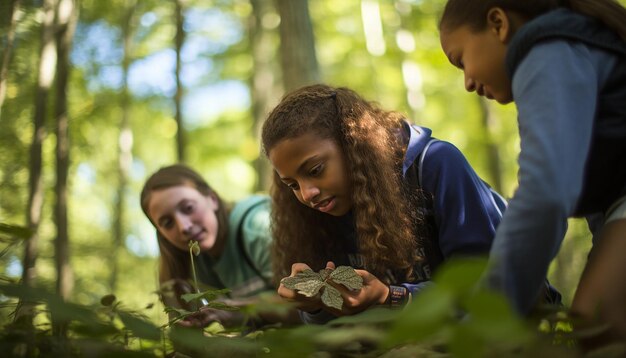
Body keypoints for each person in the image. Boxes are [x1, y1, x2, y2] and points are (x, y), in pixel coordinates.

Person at [260, 84, 551, 325]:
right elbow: (348, 328)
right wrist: (316, 305)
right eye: (292, 185)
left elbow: (490, 290)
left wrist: (392, 297)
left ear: (351, 144)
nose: (307, 194)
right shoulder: (321, 213)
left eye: (314, 170)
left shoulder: (435, 165)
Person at [439, 0, 626, 344]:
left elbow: (544, 195)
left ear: (498, 23)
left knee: (599, 322)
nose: (466, 82)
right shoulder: (566, 44)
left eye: (460, 59)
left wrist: (488, 315)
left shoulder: (546, 49)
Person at [140, 164, 299, 328]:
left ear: (213, 199)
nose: (183, 226)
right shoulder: (194, 264)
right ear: (161, 234)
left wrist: (241, 308)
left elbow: (307, 303)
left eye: (188, 208)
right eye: (167, 223)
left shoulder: (256, 227)